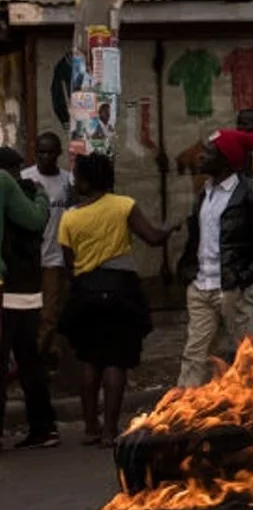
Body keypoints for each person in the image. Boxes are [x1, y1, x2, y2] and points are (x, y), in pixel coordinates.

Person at [58, 154, 176, 445]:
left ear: (84, 181)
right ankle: (111, 430)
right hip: (121, 291)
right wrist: (170, 228)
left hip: (86, 291)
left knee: (89, 359)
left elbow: (68, 262)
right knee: (116, 361)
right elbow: (152, 238)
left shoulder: (70, 217)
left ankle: (90, 427)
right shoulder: (124, 205)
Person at [176, 130, 253, 389]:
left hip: (232, 288)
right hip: (202, 286)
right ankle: (183, 410)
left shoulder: (249, 195)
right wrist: (189, 272)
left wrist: (243, 279)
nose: (201, 157)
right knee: (195, 354)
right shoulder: (205, 192)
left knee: (247, 353)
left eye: (210, 153)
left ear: (226, 161)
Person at [0, 148, 57, 448]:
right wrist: (42, 198)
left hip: (13, 289)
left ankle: (43, 428)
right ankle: (44, 427)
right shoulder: (13, 187)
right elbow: (36, 221)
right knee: (28, 358)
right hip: (19, 288)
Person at [20, 133, 73, 358]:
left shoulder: (67, 181)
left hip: (54, 257)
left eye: (51, 152)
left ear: (58, 154)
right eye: (41, 152)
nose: (46, 156)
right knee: (28, 311)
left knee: (50, 313)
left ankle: (37, 357)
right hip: (29, 257)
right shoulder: (25, 179)